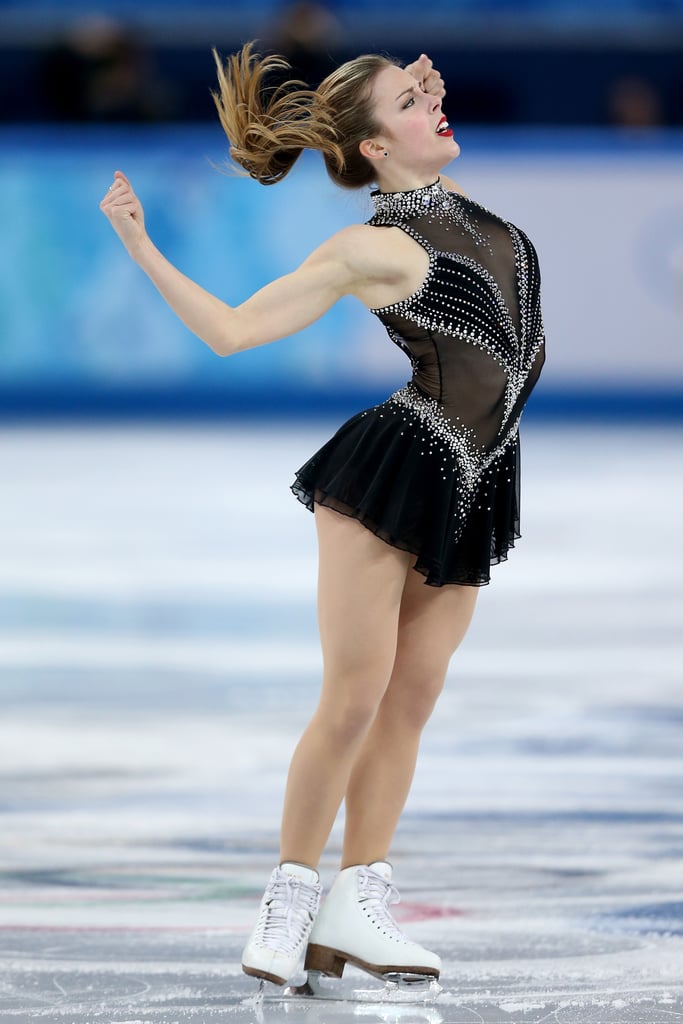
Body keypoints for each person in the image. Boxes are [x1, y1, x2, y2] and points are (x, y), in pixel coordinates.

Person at [100, 43, 545, 989]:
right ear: (375, 148)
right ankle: (288, 902)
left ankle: (358, 904)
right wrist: (141, 246)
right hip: (396, 473)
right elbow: (230, 331)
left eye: (429, 97)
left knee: (410, 702)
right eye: (410, 104)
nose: (434, 107)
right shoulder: (364, 248)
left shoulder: (492, 228)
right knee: (353, 697)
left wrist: (414, 86)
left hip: (480, 476)